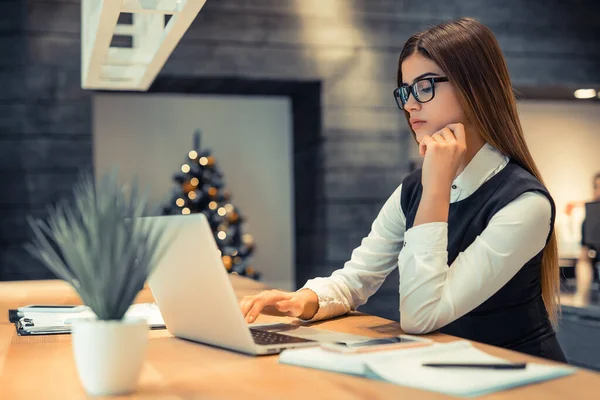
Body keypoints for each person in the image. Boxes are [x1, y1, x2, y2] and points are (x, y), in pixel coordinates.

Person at [239, 17, 566, 362]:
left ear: (475, 87)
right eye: (405, 90)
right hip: (445, 368)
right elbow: (356, 279)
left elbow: (420, 316)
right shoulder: (412, 189)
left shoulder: (525, 203)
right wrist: (304, 300)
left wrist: (436, 187)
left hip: (522, 379)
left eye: (425, 86)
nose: (410, 104)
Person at [573, 172, 600, 306]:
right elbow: (585, 252)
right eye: (596, 187)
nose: (598, 192)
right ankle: (581, 296)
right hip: (596, 262)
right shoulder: (590, 220)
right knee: (583, 262)